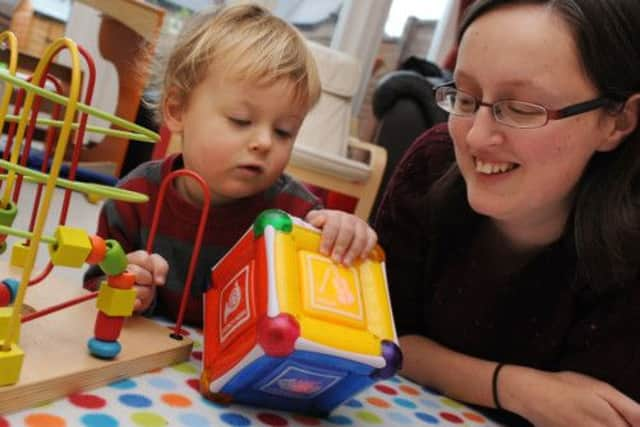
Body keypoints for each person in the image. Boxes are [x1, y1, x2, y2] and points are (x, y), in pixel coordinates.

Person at [374, 1, 640, 426]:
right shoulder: (432, 165)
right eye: (465, 96)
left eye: (522, 108)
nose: (476, 136)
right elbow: (377, 337)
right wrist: (516, 388)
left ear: (618, 120)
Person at [84, 4, 377, 327]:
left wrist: (344, 234)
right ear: (178, 111)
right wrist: (124, 286)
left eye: (284, 132)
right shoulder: (134, 198)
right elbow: (94, 286)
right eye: (241, 121)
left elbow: (326, 297)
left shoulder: (297, 214)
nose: (265, 142)